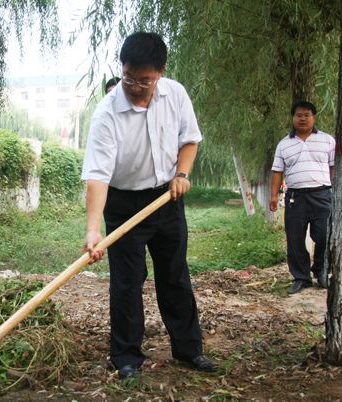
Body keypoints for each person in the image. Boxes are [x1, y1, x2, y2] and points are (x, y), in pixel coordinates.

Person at [81, 31, 217, 379]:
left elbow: (190, 140)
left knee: (175, 275)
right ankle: (126, 356)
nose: (136, 87)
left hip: (167, 198)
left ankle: (189, 350)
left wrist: (182, 173)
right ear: (122, 69)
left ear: (161, 72)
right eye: (129, 78)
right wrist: (93, 229)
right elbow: (97, 175)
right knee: (127, 281)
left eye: (145, 80)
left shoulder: (176, 94)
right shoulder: (106, 113)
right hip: (125, 203)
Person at [269, 101, 335, 294]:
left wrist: (334, 191)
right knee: (295, 238)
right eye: (299, 115)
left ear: (314, 117)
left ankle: (321, 271)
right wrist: (274, 196)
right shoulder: (284, 144)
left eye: (307, 114)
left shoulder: (327, 141)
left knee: (323, 235)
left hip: (322, 195)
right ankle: (301, 277)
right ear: (293, 118)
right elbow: (277, 171)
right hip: (295, 198)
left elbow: (333, 168)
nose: (303, 118)